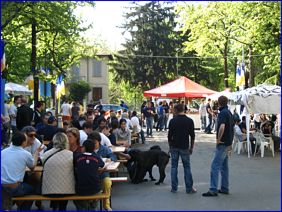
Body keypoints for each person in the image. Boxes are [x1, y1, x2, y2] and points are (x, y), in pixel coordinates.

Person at [1, 132, 43, 210]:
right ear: (23, 142)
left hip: (2, 187)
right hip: (15, 188)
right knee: (33, 189)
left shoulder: (3, 152)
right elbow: (32, 167)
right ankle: (23, 208)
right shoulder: (25, 154)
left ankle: (12, 204)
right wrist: (37, 153)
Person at [202, 96, 234, 197]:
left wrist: (218, 139)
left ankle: (213, 189)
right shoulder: (229, 112)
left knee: (215, 166)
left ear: (218, 103)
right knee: (224, 167)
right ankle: (224, 187)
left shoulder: (223, 113)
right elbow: (231, 128)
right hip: (228, 142)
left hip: (223, 143)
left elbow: (222, 126)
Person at [168, 103, 196, 194]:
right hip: (185, 147)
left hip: (174, 146)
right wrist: (191, 147)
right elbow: (192, 136)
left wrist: (170, 146)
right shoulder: (189, 121)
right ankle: (189, 188)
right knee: (187, 167)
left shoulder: (172, 121)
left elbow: (169, 136)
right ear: (184, 110)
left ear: (176, 110)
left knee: (174, 167)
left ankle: (174, 188)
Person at [73, 139, 105, 210]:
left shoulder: (77, 157)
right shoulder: (96, 157)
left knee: (78, 201)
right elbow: (102, 164)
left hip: (80, 190)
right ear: (93, 148)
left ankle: (83, 208)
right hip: (95, 189)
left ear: (84, 148)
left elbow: (74, 166)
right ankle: (93, 207)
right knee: (98, 189)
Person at [89, 131, 117, 211]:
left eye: (95, 143)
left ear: (99, 141)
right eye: (91, 143)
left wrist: (110, 159)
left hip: (103, 173)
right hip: (91, 175)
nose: (93, 145)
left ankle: (106, 204)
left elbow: (114, 157)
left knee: (107, 182)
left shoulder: (105, 149)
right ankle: (92, 203)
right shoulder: (88, 149)